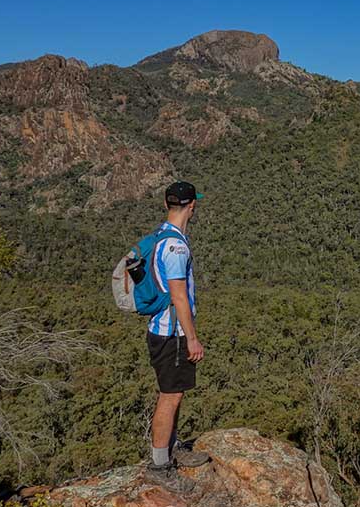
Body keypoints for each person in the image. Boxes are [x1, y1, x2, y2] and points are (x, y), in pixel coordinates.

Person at [145, 181, 210, 491]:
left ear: (167, 204)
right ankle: (159, 466)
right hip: (172, 334)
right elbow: (179, 296)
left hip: (164, 330)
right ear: (192, 206)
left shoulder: (162, 235)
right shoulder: (177, 247)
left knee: (176, 393)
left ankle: (171, 447)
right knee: (169, 397)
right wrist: (192, 338)